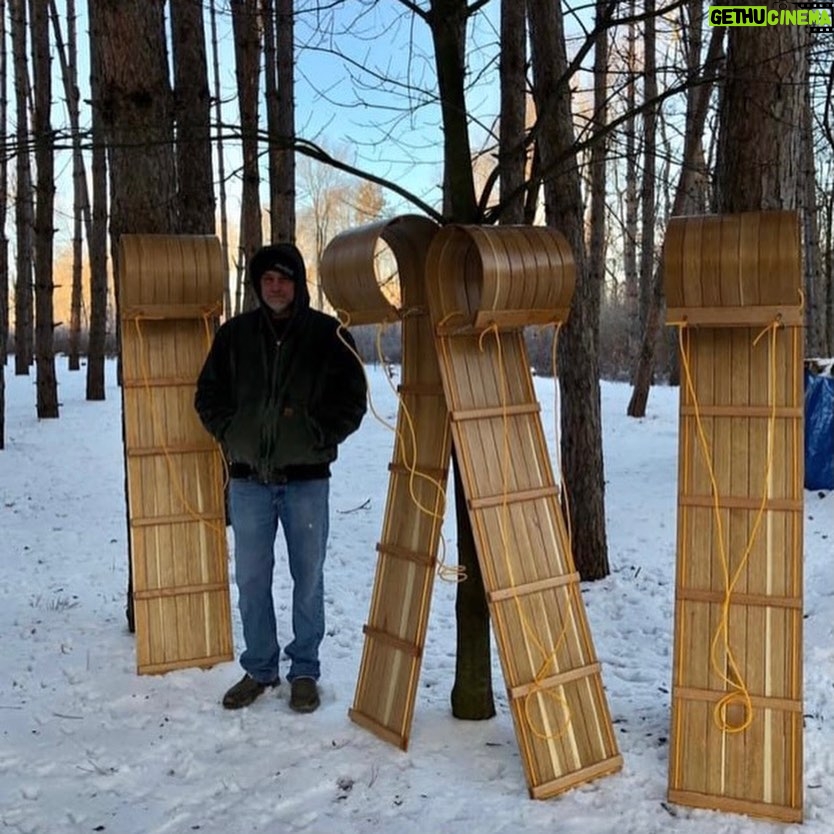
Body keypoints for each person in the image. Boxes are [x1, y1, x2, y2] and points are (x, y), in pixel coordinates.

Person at [195, 242, 367, 712]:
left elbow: (353, 397)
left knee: (307, 577)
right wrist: (232, 432)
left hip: (306, 481)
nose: (276, 287)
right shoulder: (234, 336)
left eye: (285, 279)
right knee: (251, 578)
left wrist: (317, 433)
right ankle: (260, 668)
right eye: (268, 279)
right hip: (249, 480)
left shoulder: (328, 335)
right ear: (258, 285)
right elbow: (208, 395)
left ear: (299, 284)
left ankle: (305, 669)